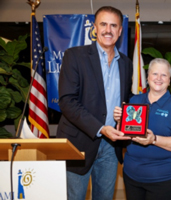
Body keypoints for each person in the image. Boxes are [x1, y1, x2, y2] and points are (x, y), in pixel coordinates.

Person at [56, 6, 132, 200]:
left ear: (120, 30)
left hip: (110, 146)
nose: (108, 30)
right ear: (95, 28)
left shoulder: (126, 63)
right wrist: (100, 128)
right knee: (74, 197)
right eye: (104, 24)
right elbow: (67, 101)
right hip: (78, 142)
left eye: (114, 25)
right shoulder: (75, 56)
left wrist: (126, 115)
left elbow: (125, 100)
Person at [114, 58, 171, 200]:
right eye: (155, 74)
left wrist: (154, 140)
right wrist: (119, 121)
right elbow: (123, 134)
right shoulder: (134, 101)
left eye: (164, 75)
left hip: (165, 180)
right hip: (132, 177)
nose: (159, 78)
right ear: (148, 77)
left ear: (169, 80)